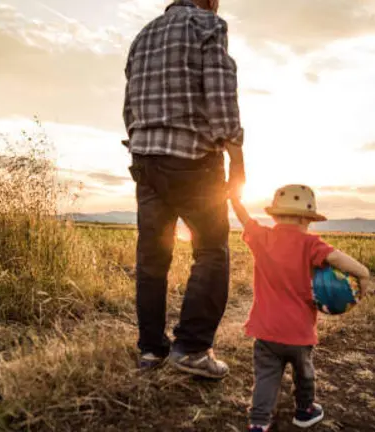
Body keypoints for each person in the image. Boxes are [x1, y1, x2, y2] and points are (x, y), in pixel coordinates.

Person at [122, 0, 245, 380]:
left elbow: (130, 106)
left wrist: (143, 143)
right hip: (193, 161)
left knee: (152, 259)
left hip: (146, 161)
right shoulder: (208, 25)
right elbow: (222, 100)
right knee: (211, 250)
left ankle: (150, 351)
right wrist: (237, 159)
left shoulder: (143, 35)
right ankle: (191, 348)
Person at [229, 185, 371, 431]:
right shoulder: (310, 244)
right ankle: (305, 411)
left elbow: (245, 220)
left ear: (274, 215)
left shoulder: (263, 238)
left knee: (266, 377)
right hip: (299, 331)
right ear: (307, 219)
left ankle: (259, 422)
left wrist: (234, 199)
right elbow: (336, 259)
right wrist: (363, 273)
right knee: (304, 373)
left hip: (265, 329)